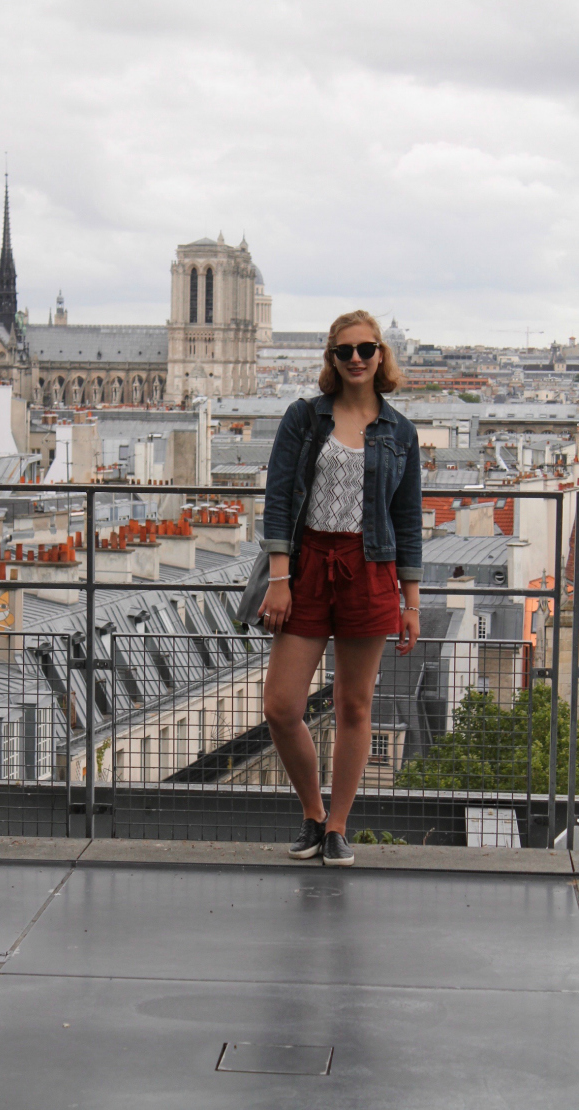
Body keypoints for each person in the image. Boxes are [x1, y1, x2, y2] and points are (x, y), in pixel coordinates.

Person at [258, 309, 422, 866]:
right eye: (344, 350)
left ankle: (337, 827)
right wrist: (279, 578)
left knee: (356, 705)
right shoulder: (304, 418)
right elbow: (278, 501)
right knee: (281, 704)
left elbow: (408, 520)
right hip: (307, 567)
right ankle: (311, 812)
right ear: (331, 358)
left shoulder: (400, 431)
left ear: (382, 355)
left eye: (365, 349)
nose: (355, 358)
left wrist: (412, 601)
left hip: (370, 568)